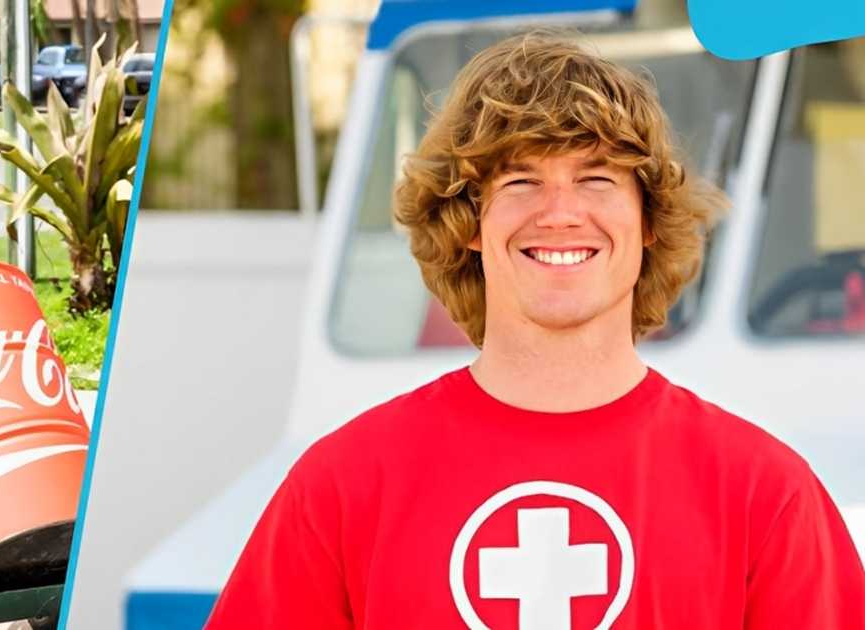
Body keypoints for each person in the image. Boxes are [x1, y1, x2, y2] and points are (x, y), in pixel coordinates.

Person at [203, 32, 865, 629]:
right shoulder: (344, 488)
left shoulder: (765, 496)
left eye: (597, 178)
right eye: (520, 180)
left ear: (652, 222)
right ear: (467, 226)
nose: (559, 213)